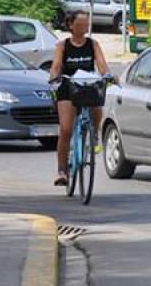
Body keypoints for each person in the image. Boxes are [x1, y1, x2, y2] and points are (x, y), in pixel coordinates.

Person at [49, 11, 114, 186]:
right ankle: (62, 171)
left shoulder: (93, 44)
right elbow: (56, 66)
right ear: (71, 25)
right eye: (80, 24)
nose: (84, 27)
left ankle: (94, 134)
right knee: (66, 129)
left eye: (86, 24)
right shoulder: (62, 46)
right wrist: (54, 77)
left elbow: (102, 65)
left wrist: (107, 75)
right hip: (68, 87)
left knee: (97, 104)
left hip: (87, 85)